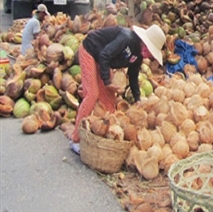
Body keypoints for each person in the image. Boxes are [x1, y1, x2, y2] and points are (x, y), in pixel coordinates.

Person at [69, 24, 166, 153]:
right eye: (150, 50)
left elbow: (133, 75)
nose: (149, 55)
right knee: (92, 94)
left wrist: (137, 98)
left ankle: (105, 139)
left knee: (110, 102)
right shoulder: (127, 38)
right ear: (144, 41)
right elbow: (105, 55)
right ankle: (75, 139)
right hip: (90, 51)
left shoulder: (139, 56)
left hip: (103, 61)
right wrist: (107, 81)